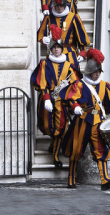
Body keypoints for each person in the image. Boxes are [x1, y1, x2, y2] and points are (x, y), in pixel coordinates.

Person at [60, 49, 110, 190]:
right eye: (95, 72)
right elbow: (71, 98)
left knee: (100, 150)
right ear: (89, 72)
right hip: (82, 121)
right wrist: (76, 106)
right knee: (76, 150)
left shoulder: (104, 85)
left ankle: (105, 180)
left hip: (98, 122)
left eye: (98, 72)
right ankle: (71, 178)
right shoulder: (79, 84)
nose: (97, 74)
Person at [30, 24, 77, 168]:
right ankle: (53, 145)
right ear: (51, 49)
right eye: (54, 47)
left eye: (58, 47)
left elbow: (74, 84)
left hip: (62, 102)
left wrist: (73, 101)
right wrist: (45, 99)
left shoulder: (68, 65)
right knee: (46, 126)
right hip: (48, 99)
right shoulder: (44, 63)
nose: (56, 49)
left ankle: (55, 156)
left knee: (61, 129)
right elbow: (42, 82)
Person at [37, 0, 90, 73]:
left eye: (61, 5)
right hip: (53, 52)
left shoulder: (73, 17)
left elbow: (81, 36)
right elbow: (40, 34)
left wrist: (83, 52)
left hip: (70, 52)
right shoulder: (48, 18)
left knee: (72, 78)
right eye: (57, 5)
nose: (59, 7)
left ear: (65, 5)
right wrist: (43, 39)